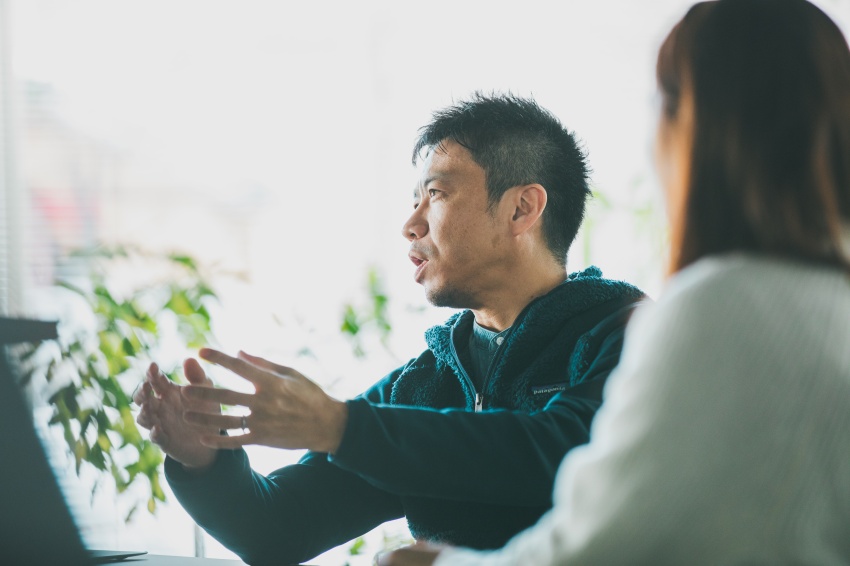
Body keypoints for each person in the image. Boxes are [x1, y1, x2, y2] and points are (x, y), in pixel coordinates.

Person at [378, 1, 850, 565]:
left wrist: (441, 562)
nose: (412, 223)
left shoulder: (711, 309)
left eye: (436, 193)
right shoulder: (828, 304)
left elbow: (610, 545)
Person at [133, 93, 647, 565]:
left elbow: (563, 454)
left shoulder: (626, 332)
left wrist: (341, 426)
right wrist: (201, 460)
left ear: (521, 208)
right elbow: (280, 527)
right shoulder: (427, 381)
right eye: (413, 199)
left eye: (437, 193)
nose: (411, 223)